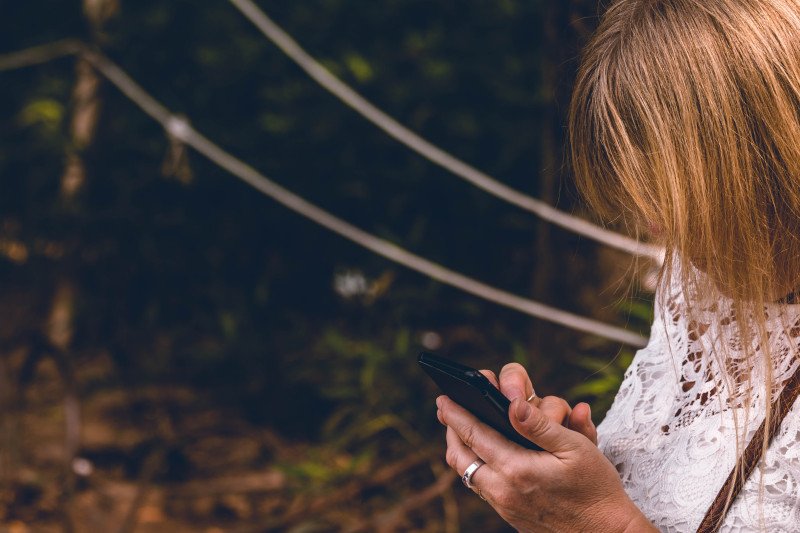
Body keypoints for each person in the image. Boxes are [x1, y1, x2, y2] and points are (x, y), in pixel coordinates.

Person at [434, 0, 800, 530]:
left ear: (770, 160)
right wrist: (578, 474)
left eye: (677, 192)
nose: (653, 227)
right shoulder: (696, 287)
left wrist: (600, 522)